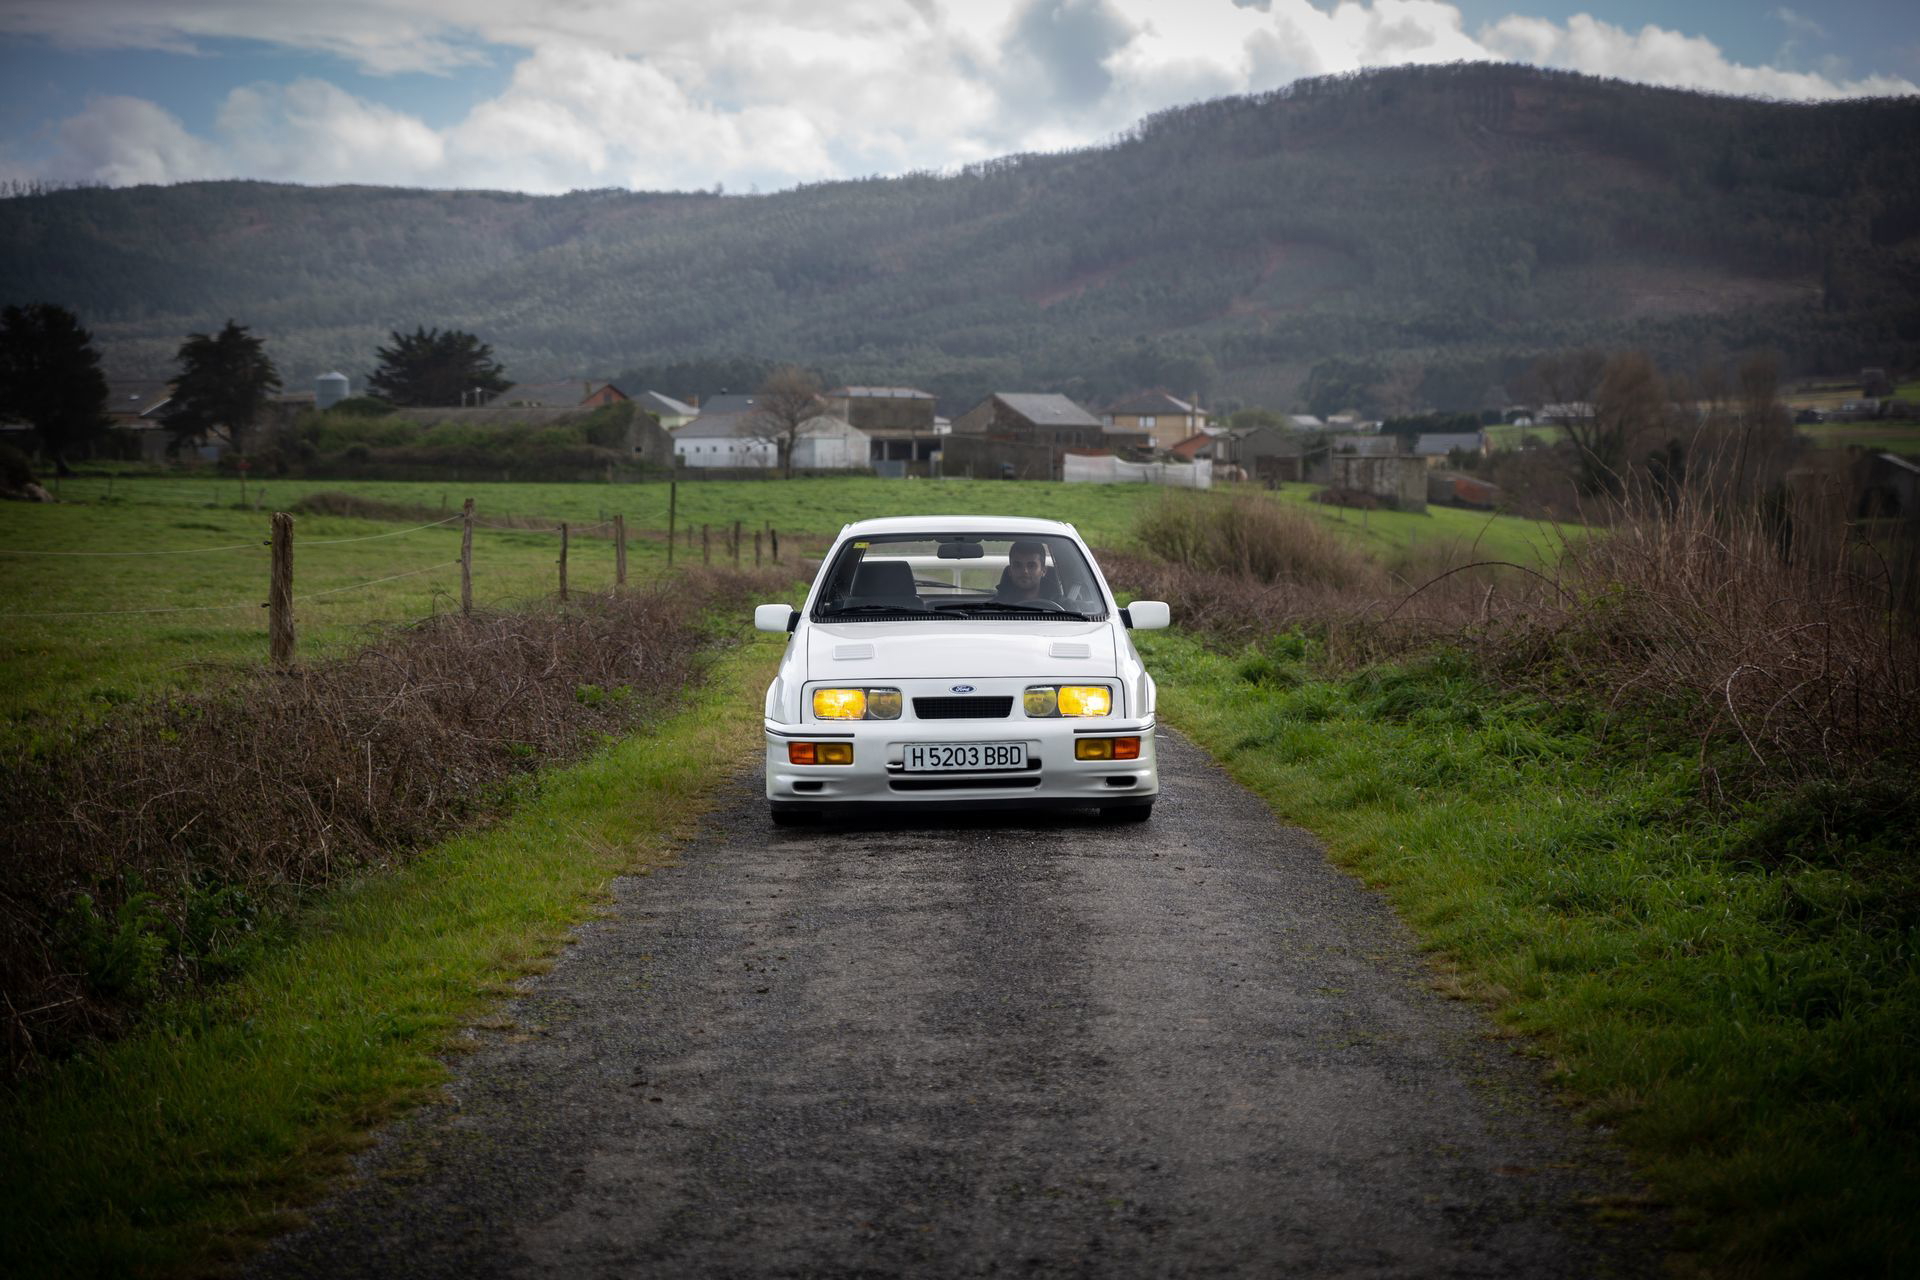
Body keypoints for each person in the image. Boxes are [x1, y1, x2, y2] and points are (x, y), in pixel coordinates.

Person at [994, 539, 1059, 603]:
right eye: (1018, 565)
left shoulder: (1063, 608)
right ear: (1010, 571)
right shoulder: (993, 608)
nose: (1025, 571)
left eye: (1031, 566)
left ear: (1043, 571)